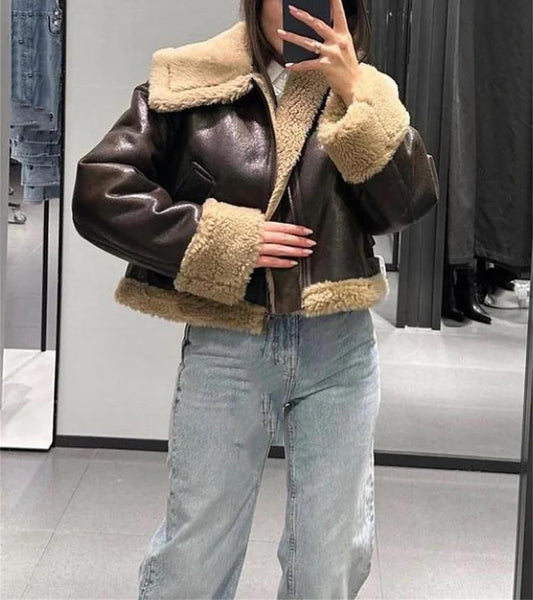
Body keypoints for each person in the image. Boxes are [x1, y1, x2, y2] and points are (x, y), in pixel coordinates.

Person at [71, 1, 439, 598]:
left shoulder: (361, 93)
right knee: (195, 555)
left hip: (338, 348)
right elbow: (100, 191)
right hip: (228, 343)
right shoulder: (193, 79)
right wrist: (223, 239)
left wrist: (356, 93)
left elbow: (407, 204)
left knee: (328, 560)